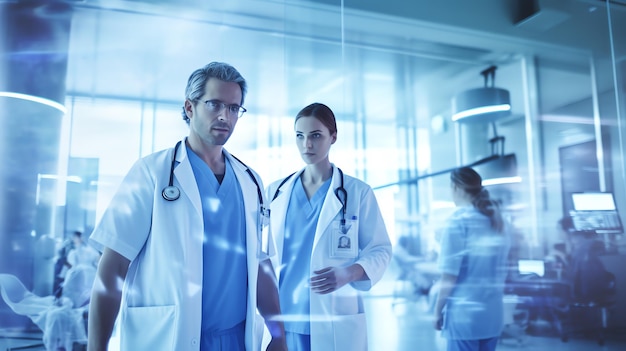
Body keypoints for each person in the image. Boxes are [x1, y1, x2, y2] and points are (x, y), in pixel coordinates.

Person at [87, 62, 286, 351]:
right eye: (214, 104)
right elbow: (113, 265)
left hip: (236, 340)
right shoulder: (151, 173)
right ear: (190, 107)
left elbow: (261, 264)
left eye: (234, 108)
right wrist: (96, 347)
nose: (224, 116)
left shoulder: (251, 182)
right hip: (169, 337)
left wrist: (278, 335)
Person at [267, 102, 392, 351]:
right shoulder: (275, 192)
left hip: (334, 315)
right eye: (300, 136)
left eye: (316, 136)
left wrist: (349, 273)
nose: (307, 145)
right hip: (285, 320)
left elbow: (381, 250)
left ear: (333, 137)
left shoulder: (358, 193)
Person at [433, 167, 511, 351]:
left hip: (465, 315)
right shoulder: (498, 220)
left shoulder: (458, 221)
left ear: (456, 188)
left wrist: (437, 312)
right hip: (493, 314)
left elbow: (449, 276)